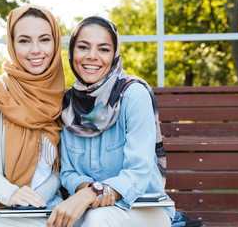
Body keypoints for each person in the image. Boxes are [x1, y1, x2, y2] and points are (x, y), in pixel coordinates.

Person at [47, 16, 175, 227]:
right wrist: (88, 190)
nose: (92, 56)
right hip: (89, 208)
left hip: (143, 209)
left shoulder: (133, 94)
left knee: (98, 220)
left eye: (104, 49)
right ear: (72, 52)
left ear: (114, 54)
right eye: (83, 47)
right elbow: (68, 172)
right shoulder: (68, 105)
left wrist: (93, 193)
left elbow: (138, 173)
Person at [0, 4, 65, 227]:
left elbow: (58, 168)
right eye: (24, 41)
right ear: (12, 45)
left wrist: (39, 197)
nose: (36, 50)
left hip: (48, 207)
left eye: (44, 39)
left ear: (55, 43)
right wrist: (11, 193)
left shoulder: (60, 98)